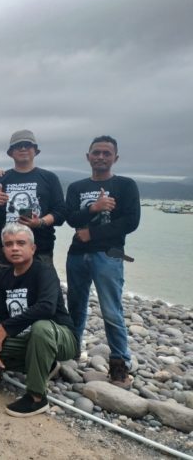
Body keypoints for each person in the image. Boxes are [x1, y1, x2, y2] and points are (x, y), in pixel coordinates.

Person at [65, 136, 140, 388]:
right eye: (96, 152)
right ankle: (71, 350)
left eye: (106, 153)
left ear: (115, 158)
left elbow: (130, 222)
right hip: (77, 254)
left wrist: (93, 233)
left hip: (109, 254)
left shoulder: (125, 185)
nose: (100, 157)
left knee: (111, 309)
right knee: (76, 305)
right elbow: (71, 218)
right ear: (88, 157)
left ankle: (119, 362)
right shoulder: (76, 187)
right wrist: (94, 208)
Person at [0, 223, 78, 416]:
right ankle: (46, 365)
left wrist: (6, 327)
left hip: (60, 336)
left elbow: (46, 307)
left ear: (32, 248)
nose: (14, 248)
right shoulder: (2, 277)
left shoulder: (44, 271)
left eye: (21, 243)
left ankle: (36, 397)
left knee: (41, 327)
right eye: (9, 244)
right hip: (29, 339)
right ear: (3, 250)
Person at [0, 130, 66, 277]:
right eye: (18, 146)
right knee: (2, 289)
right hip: (3, 251)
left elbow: (60, 212)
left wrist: (39, 222)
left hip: (40, 249)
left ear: (35, 150)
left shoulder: (49, 178)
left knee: (42, 289)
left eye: (27, 145)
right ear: (10, 153)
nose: (23, 148)